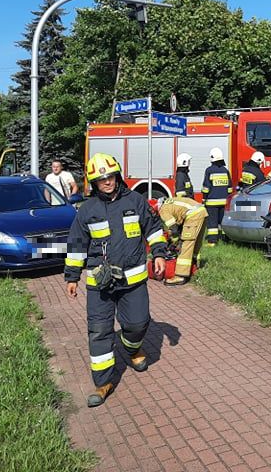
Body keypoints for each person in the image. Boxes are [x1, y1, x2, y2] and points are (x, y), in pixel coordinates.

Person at [64, 152, 167, 408]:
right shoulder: (87, 210)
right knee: (99, 332)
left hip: (133, 281)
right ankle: (103, 383)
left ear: (117, 175)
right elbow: (77, 244)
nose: (107, 182)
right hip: (100, 283)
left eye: (110, 176)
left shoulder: (136, 201)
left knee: (138, 323)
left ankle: (131, 347)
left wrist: (159, 253)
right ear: (93, 182)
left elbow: (154, 228)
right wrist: (72, 277)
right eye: (101, 179)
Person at [157, 196, 208, 285]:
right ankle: (194, 267)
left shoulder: (163, 209)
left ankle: (180, 276)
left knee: (186, 244)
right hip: (202, 211)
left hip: (193, 215)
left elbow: (174, 228)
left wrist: (174, 243)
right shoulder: (170, 202)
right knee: (195, 243)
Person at [201, 147, 232, 246]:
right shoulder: (225, 170)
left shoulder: (209, 170)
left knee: (212, 223)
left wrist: (204, 198)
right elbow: (230, 188)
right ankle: (225, 240)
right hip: (224, 202)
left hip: (212, 203)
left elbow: (206, 187)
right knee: (222, 221)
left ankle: (212, 242)